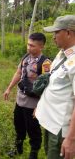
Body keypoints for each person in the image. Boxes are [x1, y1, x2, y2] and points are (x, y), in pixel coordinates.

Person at [3, 32, 51, 159]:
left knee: (33, 130)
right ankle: (18, 147)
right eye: (28, 45)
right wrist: (8, 88)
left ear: (41, 47)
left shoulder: (45, 63)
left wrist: (40, 106)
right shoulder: (26, 57)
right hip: (20, 100)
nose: (29, 48)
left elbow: (47, 87)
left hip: (33, 103)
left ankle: (33, 152)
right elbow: (18, 73)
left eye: (32, 46)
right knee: (18, 125)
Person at [35, 15, 75, 159]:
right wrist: (40, 107)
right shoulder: (62, 53)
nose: (53, 37)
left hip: (61, 129)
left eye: (56, 32)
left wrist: (70, 139)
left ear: (69, 33)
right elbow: (53, 84)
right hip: (50, 122)